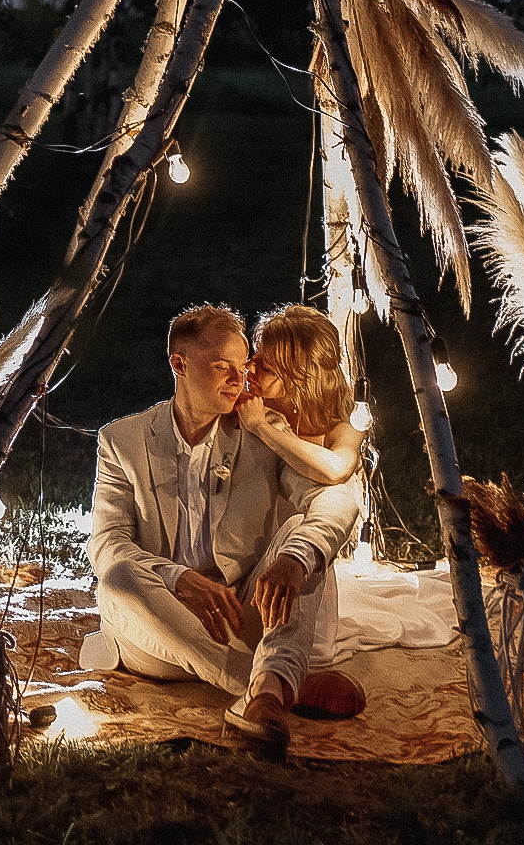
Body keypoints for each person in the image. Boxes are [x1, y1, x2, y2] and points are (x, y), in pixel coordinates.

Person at [86, 304, 363, 753]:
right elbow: (107, 543)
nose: (240, 380)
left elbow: (334, 496)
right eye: (222, 368)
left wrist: (296, 559)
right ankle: (272, 688)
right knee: (117, 578)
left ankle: (267, 685)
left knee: (302, 538)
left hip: (240, 616)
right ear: (180, 364)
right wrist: (179, 578)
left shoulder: (262, 428)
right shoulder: (121, 441)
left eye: (243, 366)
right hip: (160, 632)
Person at [237, 304, 455, 670]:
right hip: (252, 553)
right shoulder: (249, 408)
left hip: (305, 563)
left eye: (267, 367)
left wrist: (265, 430)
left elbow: (338, 469)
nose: (251, 369)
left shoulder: (345, 421)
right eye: (255, 357)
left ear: (299, 377)